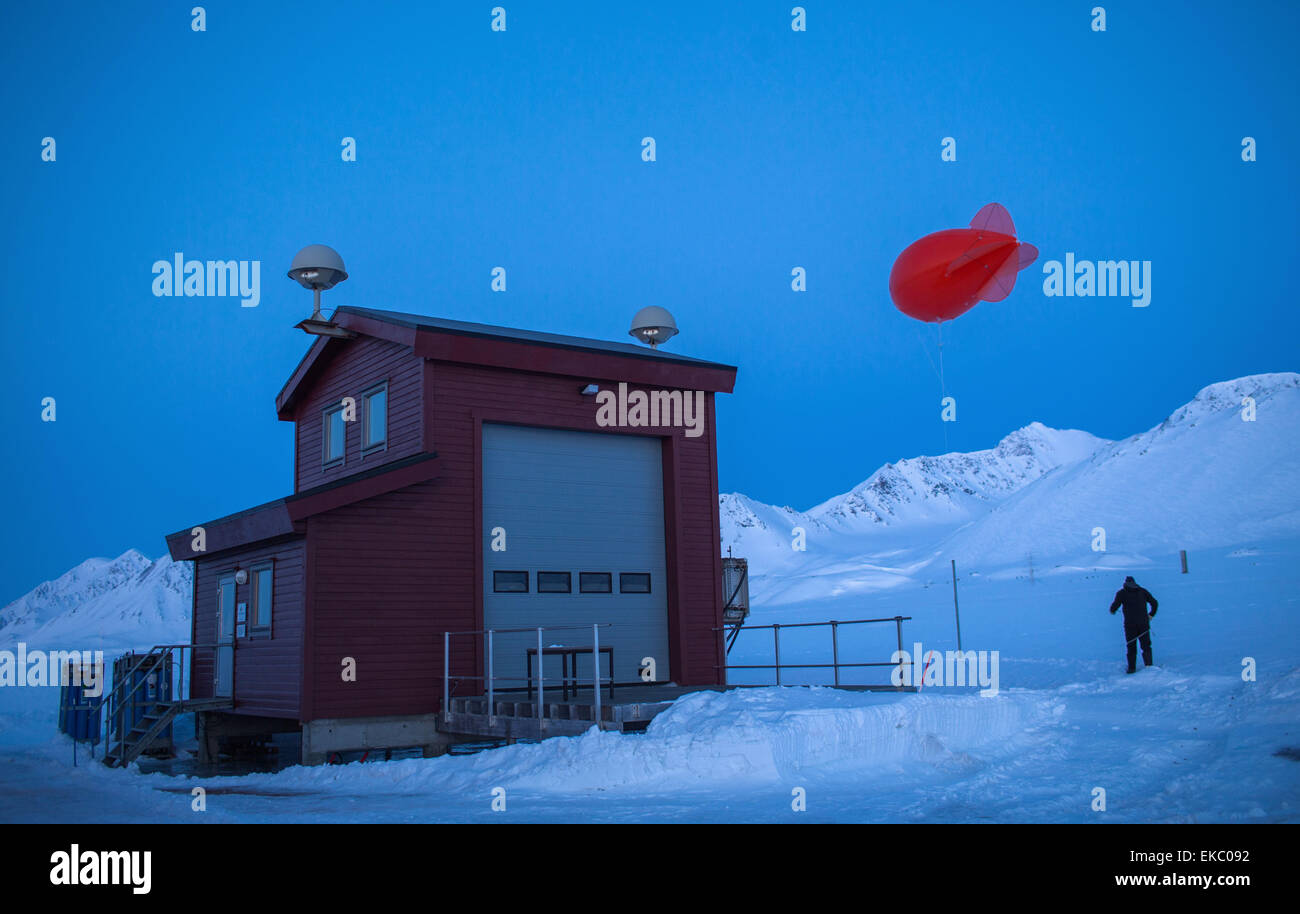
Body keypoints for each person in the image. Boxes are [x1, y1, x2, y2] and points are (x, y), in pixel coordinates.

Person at [1109, 575, 1158, 673]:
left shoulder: (1121, 593)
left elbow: (1114, 607)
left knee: (1131, 645)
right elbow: (1155, 603)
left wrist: (1112, 610)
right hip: (1143, 623)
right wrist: (1151, 614)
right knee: (1146, 645)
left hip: (1130, 624)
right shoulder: (1143, 591)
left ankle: (1132, 668)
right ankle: (1149, 665)